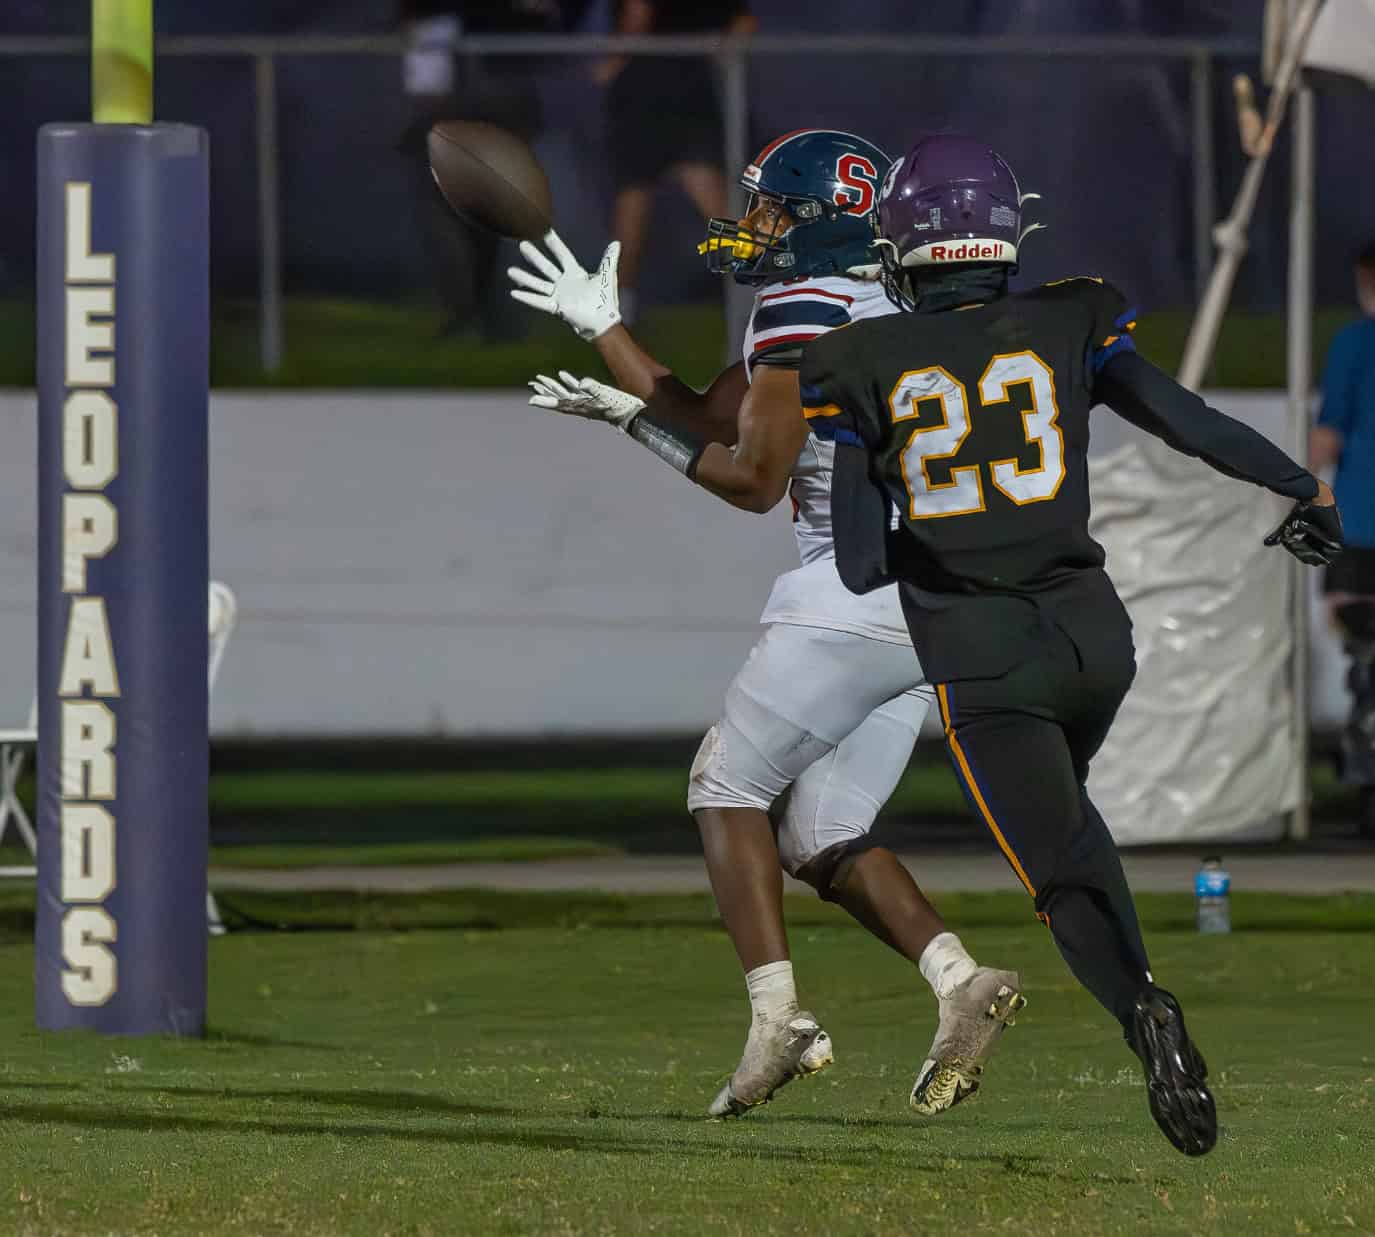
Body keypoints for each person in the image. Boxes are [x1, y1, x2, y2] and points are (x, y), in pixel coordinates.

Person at [796, 134, 1343, 1156]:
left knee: (1061, 870)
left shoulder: (853, 360)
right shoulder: (1070, 315)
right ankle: (1133, 983)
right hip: (1097, 637)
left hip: (984, 651)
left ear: (906, 241)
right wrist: (1297, 484)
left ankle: (1143, 1012)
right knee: (1070, 825)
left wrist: (912, 505)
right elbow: (1185, 418)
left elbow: (865, 565)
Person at [508, 129, 1025, 1119]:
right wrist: (601, 328)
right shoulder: (895, 299)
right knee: (819, 831)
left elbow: (749, 479)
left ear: (821, 225)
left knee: (722, 783)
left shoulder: (802, 305)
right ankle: (959, 980)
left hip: (853, 595)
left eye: (772, 211)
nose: (751, 228)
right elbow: (716, 413)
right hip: (936, 601)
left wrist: (626, 422)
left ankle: (778, 1021)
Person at [397, 0, 562, 338]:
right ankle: (476, 310)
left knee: (484, 212)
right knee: (464, 214)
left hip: (486, 106)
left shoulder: (465, 25)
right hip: (469, 109)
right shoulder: (437, 24)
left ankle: (486, 312)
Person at [597, 0, 757, 324]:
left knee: (634, 203)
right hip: (686, 91)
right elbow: (743, 24)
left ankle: (618, 309)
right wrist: (712, 52)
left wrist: (615, 59)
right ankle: (758, 291)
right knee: (712, 202)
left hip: (647, 94)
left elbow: (636, 14)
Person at [1310, 242, 1375, 837]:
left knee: (1363, 659)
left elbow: (1328, 435)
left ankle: (1364, 780)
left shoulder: (1355, 343)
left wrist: (1295, 497)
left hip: (1360, 528)